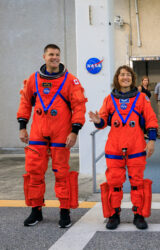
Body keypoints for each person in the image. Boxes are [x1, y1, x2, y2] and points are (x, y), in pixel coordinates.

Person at [17, 44, 87, 228]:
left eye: (57, 54)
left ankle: (64, 211)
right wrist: (22, 127)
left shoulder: (71, 80)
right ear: (44, 56)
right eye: (51, 54)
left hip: (61, 133)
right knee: (34, 172)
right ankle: (36, 211)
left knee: (62, 173)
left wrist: (74, 131)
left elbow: (79, 107)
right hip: (38, 132)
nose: (54, 57)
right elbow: (25, 102)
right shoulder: (33, 79)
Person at [89, 65, 158, 230]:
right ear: (117, 78)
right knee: (114, 183)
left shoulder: (141, 98)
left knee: (137, 183)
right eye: (122, 75)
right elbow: (103, 121)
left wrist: (152, 141)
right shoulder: (109, 99)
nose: (125, 77)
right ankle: (114, 214)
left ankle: (138, 214)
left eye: (128, 74)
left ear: (132, 78)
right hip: (114, 148)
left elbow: (151, 120)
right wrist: (98, 120)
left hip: (136, 147)